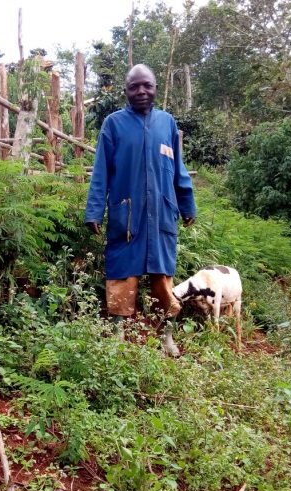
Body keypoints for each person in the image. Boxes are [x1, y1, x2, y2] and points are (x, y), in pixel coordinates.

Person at [84, 64, 196, 353]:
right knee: (122, 275)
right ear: (126, 91)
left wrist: (187, 204)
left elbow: (177, 169)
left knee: (162, 278)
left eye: (147, 85)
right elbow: (101, 173)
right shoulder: (114, 124)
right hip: (127, 214)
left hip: (161, 214)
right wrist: (94, 211)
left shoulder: (167, 123)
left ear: (156, 88)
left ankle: (166, 336)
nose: (141, 91)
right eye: (135, 87)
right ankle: (119, 334)